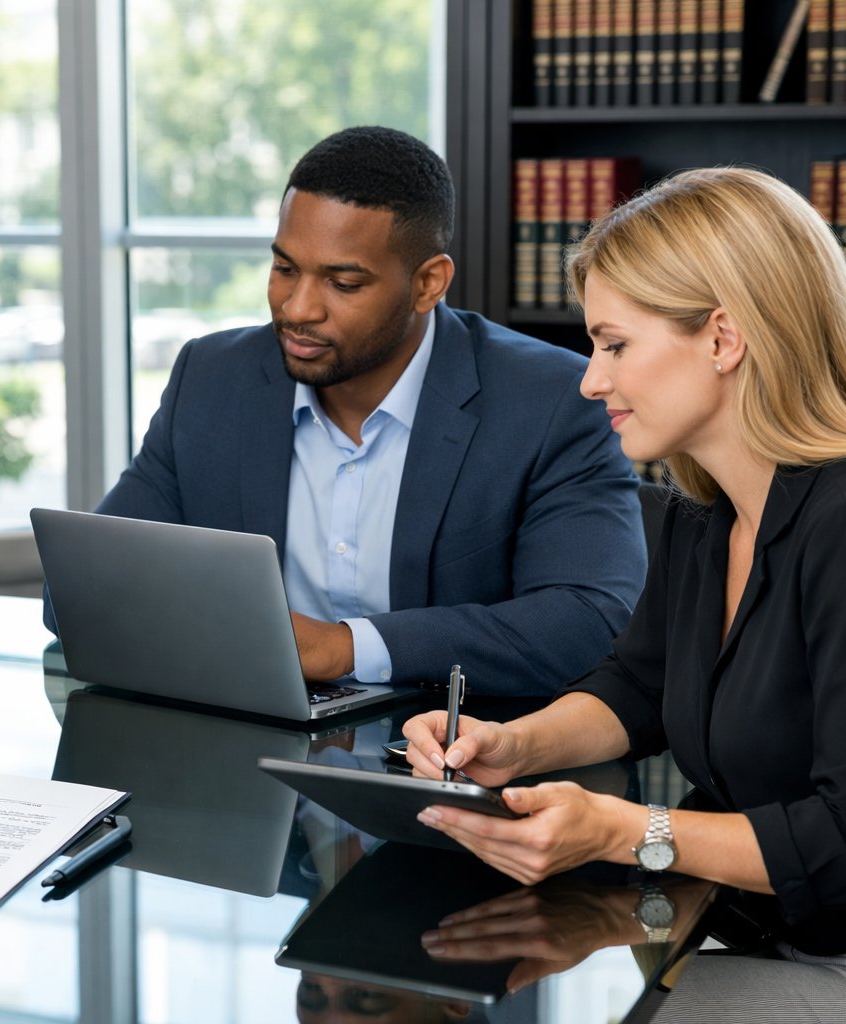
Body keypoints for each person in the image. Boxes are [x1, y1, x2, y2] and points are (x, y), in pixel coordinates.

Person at [402, 167, 846, 940]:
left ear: (723, 338)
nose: (591, 381)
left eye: (614, 345)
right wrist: (513, 745)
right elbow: (639, 686)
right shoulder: (703, 516)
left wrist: (623, 830)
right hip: (725, 929)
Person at [66, 126, 644, 694]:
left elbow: (589, 619)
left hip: (453, 743)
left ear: (428, 284)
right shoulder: (212, 378)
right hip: (246, 734)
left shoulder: (550, 401)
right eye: (285, 269)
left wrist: (343, 647)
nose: (298, 308)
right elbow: (82, 589)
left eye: (342, 283)